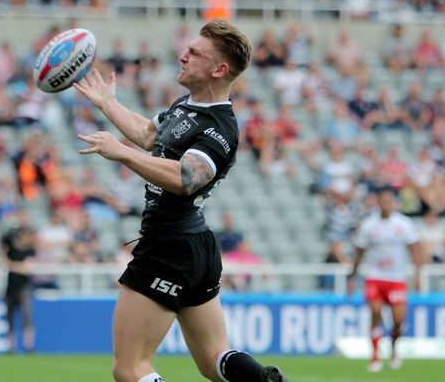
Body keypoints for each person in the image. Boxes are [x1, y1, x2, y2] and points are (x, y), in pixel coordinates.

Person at [73, 19, 287, 382]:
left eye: (195, 53)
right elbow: (147, 134)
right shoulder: (186, 106)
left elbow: (187, 179)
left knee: (130, 369)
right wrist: (109, 104)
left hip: (168, 246)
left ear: (219, 69)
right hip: (194, 246)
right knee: (213, 359)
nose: (183, 55)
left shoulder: (220, 128)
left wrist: (121, 154)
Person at [347, 188, 422, 372]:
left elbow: (414, 250)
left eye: (389, 201)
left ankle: (394, 349)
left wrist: (418, 275)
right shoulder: (369, 225)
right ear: (378, 203)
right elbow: (360, 252)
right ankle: (375, 357)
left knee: (398, 320)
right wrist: (353, 276)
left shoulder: (403, 224)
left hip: (396, 278)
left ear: (394, 203)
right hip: (374, 276)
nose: (385, 205)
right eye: (382, 201)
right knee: (376, 312)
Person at [1, 226, 37, 354]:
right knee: (9, 318)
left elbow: (27, 269)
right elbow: (2, 261)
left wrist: (11, 265)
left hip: (24, 287)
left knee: (27, 317)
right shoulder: (11, 249)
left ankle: (29, 346)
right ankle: (11, 347)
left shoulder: (30, 251)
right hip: (11, 287)